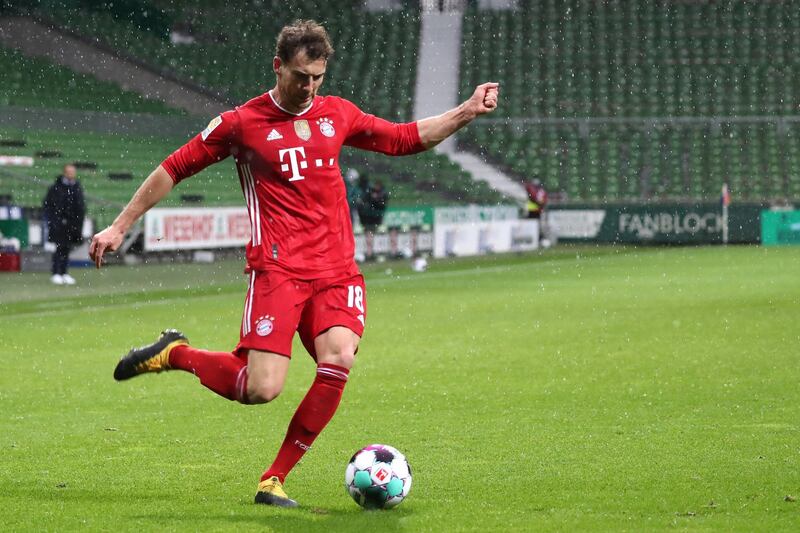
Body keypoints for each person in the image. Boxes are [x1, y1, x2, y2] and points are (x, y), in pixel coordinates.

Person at [89, 19, 499, 507]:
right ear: (277, 66)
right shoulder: (241, 124)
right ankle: (176, 353)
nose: (309, 87)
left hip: (336, 271)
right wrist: (119, 225)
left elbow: (405, 138)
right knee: (259, 389)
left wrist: (466, 111)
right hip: (279, 270)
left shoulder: (336, 114)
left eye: (317, 78)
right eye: (301, 76)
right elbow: (173, 168)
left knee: (338, 359)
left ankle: (273, 479)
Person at [43, 164, 85, 285]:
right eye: (69, 172)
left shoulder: (77, 187)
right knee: (59, 248)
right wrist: (55, 221)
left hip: (72, 224)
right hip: (59, 224)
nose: (72, 174)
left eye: (73, 172)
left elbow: (80, 207)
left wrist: (77, 222)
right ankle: (56, 273)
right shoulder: (56, 187)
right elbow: (49, 205)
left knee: (67, 249)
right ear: (64, 173)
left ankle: (64, 272)